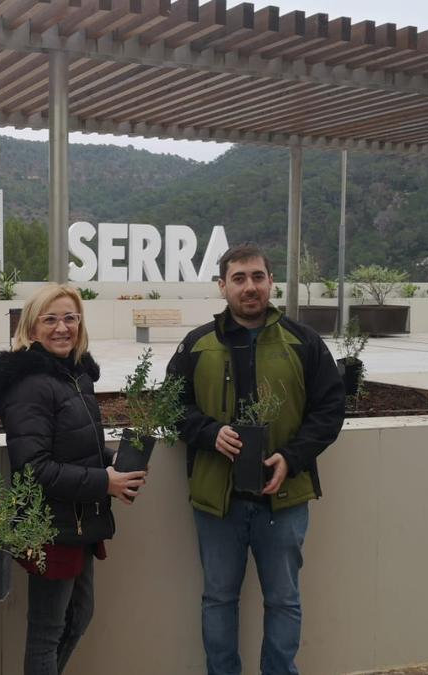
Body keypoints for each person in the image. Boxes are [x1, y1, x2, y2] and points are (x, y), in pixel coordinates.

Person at [165, 243, 345, 675]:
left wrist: (292, 457)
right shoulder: (196, 345)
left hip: (283, 497)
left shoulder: (304, 343)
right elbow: (171, 406)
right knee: (218, 598)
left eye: (258, 277)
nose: (250, 287)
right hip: (218, 501)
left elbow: (330, 410)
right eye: (240, 278)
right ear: (222, 286)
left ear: (271, 283)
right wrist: (209, 433)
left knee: (284, 599)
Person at [0, 285, 146, 675]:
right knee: (48, 631)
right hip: (51, 526)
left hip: (78, 520)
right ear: (32, 329)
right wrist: (104, 482)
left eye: (70, 318)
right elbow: (34, 468)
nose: (62, 328)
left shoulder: (74, 376)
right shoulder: (31, 386)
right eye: (50, 319)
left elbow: (74, 445)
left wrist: (111, 462)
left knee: (79, 616)